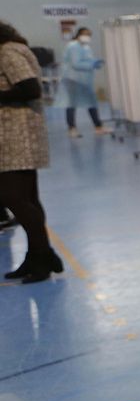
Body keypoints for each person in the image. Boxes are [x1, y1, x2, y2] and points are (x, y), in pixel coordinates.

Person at [0, 20, 62, 283]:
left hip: (17, 134)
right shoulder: (12, 49)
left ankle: (43, 257)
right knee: (28, 199)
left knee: (14, 198)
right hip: (16, 133)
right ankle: (38, 256)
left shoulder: (7, 52)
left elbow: (30, 88)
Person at [61, 26, 107, 137]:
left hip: (85, 79)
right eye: (86, 34)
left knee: (91, 103)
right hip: (73, 79)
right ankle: (72, 128)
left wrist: (95, 62)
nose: (88, 37)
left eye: (89, 35)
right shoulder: (73, 46)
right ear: (79, 34)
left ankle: (98, 126)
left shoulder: (85, 47)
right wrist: (92, 64)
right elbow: (76, 64)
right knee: (72, 104)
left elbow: (87, 60)